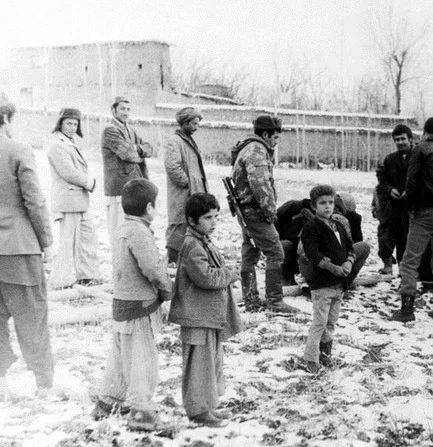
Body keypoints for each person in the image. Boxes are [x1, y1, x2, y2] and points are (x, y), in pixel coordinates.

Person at [92, 179, 172, 431]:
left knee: (120, 356)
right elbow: (151, 268)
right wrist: (166, 288)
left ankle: (107, 401)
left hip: (122, 304)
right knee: (142, 361)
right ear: (149, 208)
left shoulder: (122, 227)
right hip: (138, 307)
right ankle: (141, 412)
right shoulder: (139, 231)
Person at [168, 193, 244, 427]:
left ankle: (208, 406)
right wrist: (230, 274)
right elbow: (206, 278)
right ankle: (198, 410)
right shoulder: (193, 246)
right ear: (192, 221)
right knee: (198, 366)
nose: (213, 222)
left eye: (216, 217)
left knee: (211, 363)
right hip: (196, 317)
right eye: (207, 218)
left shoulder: (202, 241)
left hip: (207, 317)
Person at [0, 99, 56, 400]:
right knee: (32, 317)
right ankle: (44, 385)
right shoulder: (18, 149)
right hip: (19, 249)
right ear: (7, 118)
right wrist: (46, 242)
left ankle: (2, 386)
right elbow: (34, 200)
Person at [391, 117, 433, 323]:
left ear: (425, 131)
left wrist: (411, 207)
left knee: (410, 261)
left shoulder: (420, 150)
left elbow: (411, 181)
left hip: (425, 211)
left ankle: (406, 310)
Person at [230, 115, 298, 313]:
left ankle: (251, 300)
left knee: (250, 255)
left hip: (247, 212)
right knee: (276, 253)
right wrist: (271, 212)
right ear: (266, 134)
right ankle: (275, 301)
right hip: (256, 213)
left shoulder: (248, 147)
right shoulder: (257, 151)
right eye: (275, 138)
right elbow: (260, 185)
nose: (276, 142)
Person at [299, 185, 367, 373]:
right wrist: (332, 267)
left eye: (330, 202)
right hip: (322, 285)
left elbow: (350, 248)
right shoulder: (311, 228)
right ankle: (310, 360)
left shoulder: (338, 225)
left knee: (331, 322)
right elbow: (313, 254)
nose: (327, 207)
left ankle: (326, 356)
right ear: (314, 206)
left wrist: (348, 264)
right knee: (319, 323)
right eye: (322, 203)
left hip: (339, 285)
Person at [46, 108, 101, 289]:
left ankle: (87, 276)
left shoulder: (70, 142)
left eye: (75, 124)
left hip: (78, 200)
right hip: (68, 201)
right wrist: (90, 183)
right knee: (68, 242)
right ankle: (61, 281)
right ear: (60, 123)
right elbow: (68, 173)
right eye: (69, 123)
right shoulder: (57, 144)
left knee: (88, 237)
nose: (72, 127)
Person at [276, 193, 362, 287]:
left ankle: (341, 282)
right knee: (285, 246)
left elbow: (353, 245)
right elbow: (306, 253)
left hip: (326, 266)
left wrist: (348, 261)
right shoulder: (301, 212)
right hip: (310, 264)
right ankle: (287, 279)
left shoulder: (348, 220)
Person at [102, 96, 154, 248]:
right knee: (119, 233)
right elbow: (127, 154)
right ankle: (117, 269)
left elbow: (150, 149)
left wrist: (137, 149)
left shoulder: (131, 130)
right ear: (113, 110)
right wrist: (138, 152)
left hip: (135, 188)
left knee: (133, 232)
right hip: (119, 189)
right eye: (122, 109)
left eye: (128, 109)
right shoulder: (110, 130)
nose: (126, 113)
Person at [164, 107, 208, 264]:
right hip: (181, 197)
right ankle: (172, 265)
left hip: (192, 196)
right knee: (177, 231)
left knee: (190, 231)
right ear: (185, 123)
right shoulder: (175, 141)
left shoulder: (187, 140)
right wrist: (187, 183)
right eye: (194, 123)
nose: (196, 127)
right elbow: (172, 166)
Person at [375, 124, 414, 274]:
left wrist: (409, 192)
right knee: (385, 237)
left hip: (409, 207)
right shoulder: (390, 159)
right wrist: (390, 189)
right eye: (397, 140)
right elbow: (382, 178)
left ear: (410, 140)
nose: (400, 142)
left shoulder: (417, 158)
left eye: (403, 139)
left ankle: (404, 270)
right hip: (391, 206)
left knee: (405, 239)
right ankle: (387, 265)